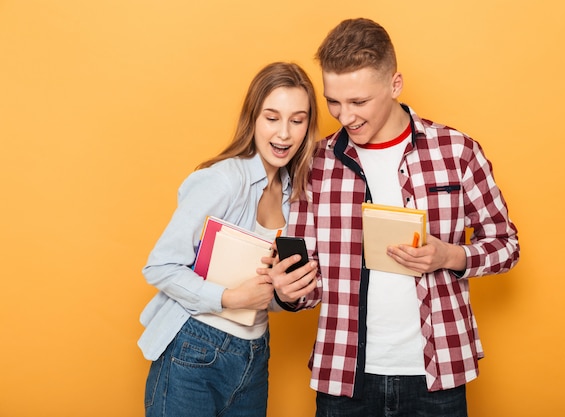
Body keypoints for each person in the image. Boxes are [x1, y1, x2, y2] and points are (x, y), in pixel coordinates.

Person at [265, 18, 520, 417]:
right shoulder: (314, 162)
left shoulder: (457, 152)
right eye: (334, 101)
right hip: (344, 378)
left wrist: (448, 257)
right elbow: (307, 285)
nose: (344, 117)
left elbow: (507, 245)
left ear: (395, 84)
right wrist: (288, 288)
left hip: (437, 375)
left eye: (359, 102)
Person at [137, 61, 319, 417]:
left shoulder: (291, 195)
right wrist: (230, 297)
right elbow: (159, 265)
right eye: (272, 117)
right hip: (193, 349)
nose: (284, 134)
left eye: (297, 120)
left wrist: (284, 294)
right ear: (253, 118)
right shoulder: (223, 180)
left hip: (254, 354)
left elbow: (263, 296)